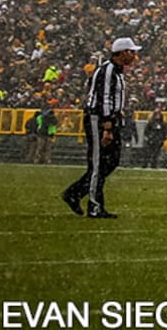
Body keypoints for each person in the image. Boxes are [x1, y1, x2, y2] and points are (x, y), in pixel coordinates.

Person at [62, 37, 141, 218]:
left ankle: (74, 193)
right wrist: (107, 126)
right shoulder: (108, 70)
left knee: (110, 162)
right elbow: (105, 98)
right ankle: (95, 206)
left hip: (110, 118)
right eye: (132, 52)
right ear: (122, 53)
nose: (135, 56)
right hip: (98, 118)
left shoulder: (117, 71)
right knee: (98, 163)